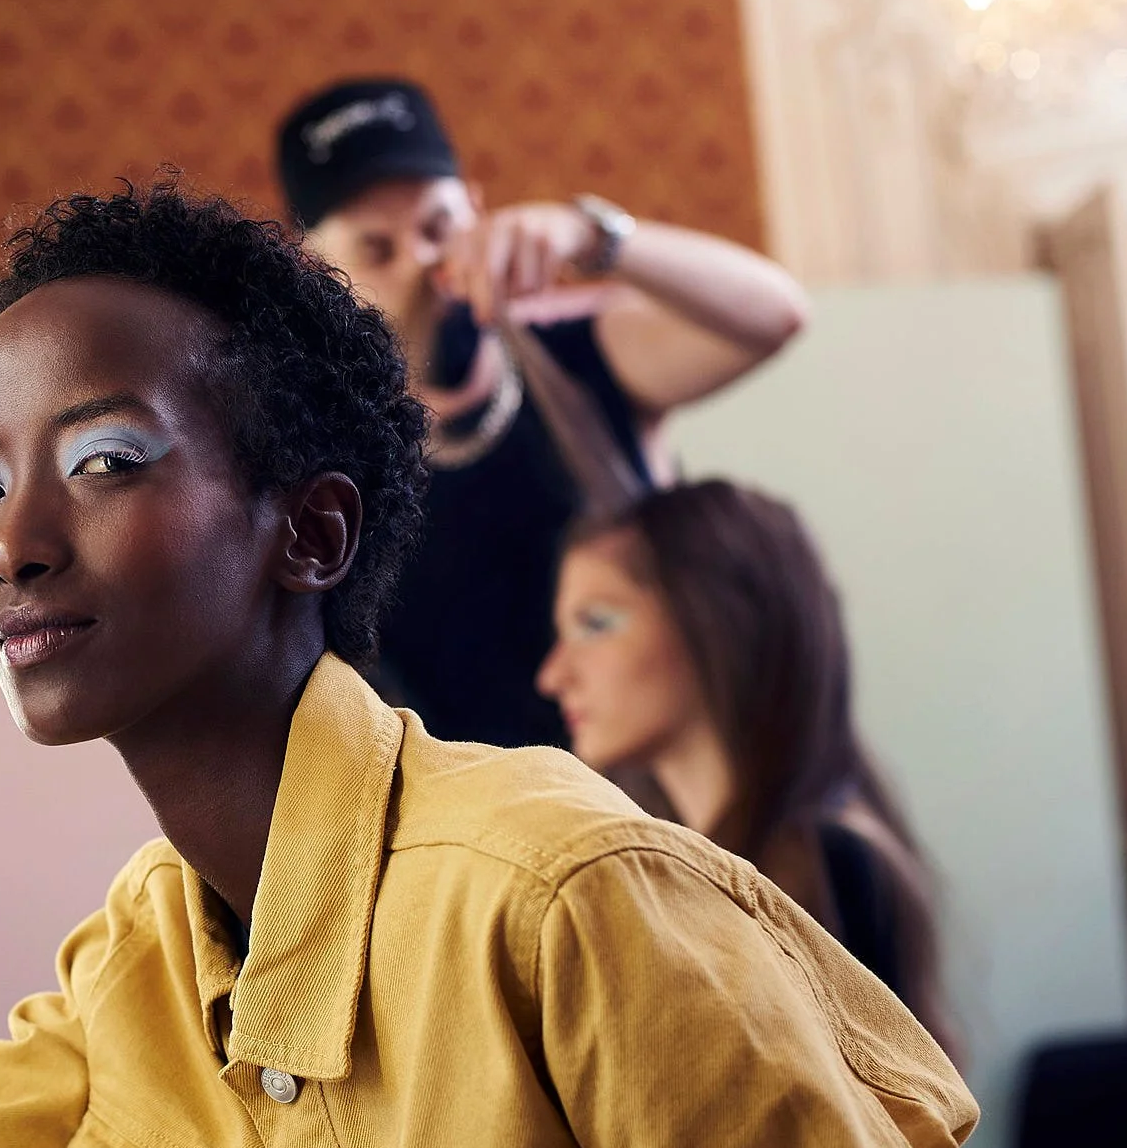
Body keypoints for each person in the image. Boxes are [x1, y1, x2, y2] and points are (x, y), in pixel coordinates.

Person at [0, 184, 1041, 1148]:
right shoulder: (133, 991)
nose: (13, 541)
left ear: (309, 535)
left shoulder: (564, 899)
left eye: (102, 461)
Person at [278, 78, 810, 747]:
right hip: (489, 835)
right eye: (377, 250)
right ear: (317, 270)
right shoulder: (317, 468)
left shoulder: (580, 359)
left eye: (440, 226)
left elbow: (777, 316)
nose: (424, 262)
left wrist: (594, 235)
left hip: (668, 813)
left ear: (477, 208)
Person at [537, 479, 959, 1056]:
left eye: (596, 624)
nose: (555, 676)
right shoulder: (678, 872)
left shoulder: (835, 863)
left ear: (714, 618)